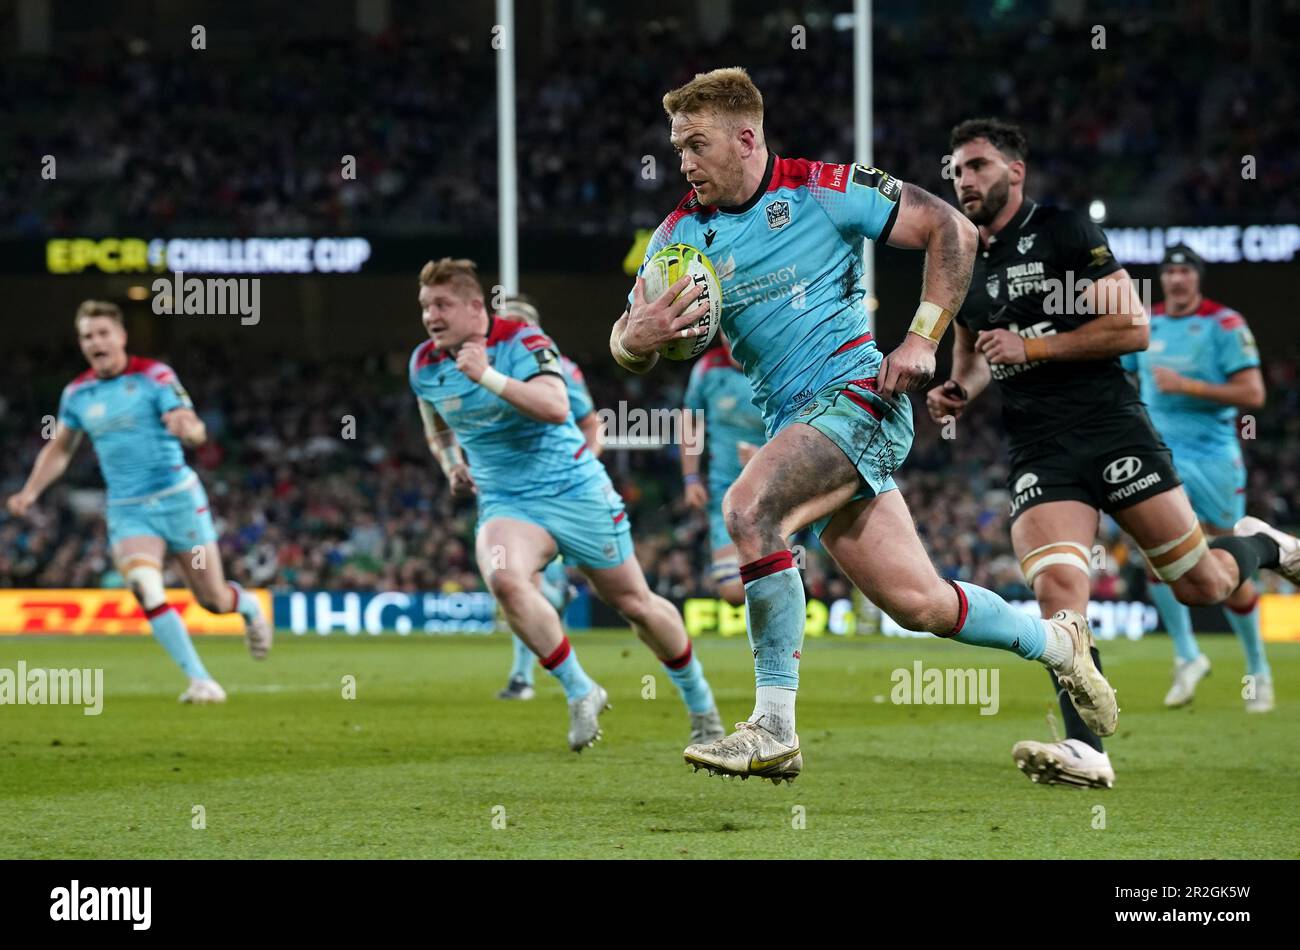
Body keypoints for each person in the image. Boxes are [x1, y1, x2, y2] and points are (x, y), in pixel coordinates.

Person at [610, 68, 1118, 785]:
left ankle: (773, 728)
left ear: (746, 138)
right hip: (797, 423)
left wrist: (921, 337)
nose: (682, 162)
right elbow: (622, 340)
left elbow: (950, 228)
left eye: (696, 145)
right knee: (919, 604)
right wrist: (639, 337)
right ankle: (1058, 642)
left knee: (749, 508)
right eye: (677, 147)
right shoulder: (678, 235)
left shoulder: (821, 188)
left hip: (858, 399)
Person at [930, 119, 1297, 788]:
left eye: (977, 165)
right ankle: (1087, 750)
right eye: (955, 171)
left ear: (1015, 171)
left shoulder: (1066, 231)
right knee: (1058, 595)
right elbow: (974, 355)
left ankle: (1268, 547)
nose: (963, 180)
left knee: (1203, 584)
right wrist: (958, 388)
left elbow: (1133, 327)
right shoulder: (961, 261)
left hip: (1112, 430)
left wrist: (1033, 347)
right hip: (1040, 447)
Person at [411, 259, 725, 751]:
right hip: (507, 502)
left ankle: (700, 701)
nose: (431, 315)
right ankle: (581, 689)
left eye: (442, 305)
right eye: (426, 306)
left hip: (574, 490)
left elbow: (558, 407)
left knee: (634, 605)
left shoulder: (522, 342)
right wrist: (451, 462)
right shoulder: (424, 365)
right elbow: (437, 425)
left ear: (476, 307)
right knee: (506, 580)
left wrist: (487, 376)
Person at [6, 300, 271, 703]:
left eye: (102, 333)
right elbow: (60, 450)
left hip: (178, 500)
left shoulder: (155, 376)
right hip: (128, 510)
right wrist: (30, 491)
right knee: (144, 586)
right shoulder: (77, 394)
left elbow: (193, 426)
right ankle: (201, 680)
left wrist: (192, 431)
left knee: (213, 600)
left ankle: (248, 606)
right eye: (87, 336)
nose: (95, 342)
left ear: (121, 337)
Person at [1121, 245, 1273, 712]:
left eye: (1185, 271)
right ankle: (1187, 656)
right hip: (1161, 458)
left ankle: (1258, 669)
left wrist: (1187, 386)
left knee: (1223, 559)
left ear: (1198, 278)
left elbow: (1254, 393)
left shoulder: (1225, 324)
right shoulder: (1147, 323)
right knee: (1154, 553)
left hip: (1213, 460)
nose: (1176, 279)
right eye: (1169, 271)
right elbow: (1123, 377)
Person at [681, 337, 767, 606]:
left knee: (771, 577)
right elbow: (691, 423)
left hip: (774, 488)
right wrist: (691, 477)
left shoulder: (775, 364)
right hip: (726, 490)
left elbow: (800, 422)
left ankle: (781, 642)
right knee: (732, 591)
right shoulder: (708, 369)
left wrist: (762, 461)